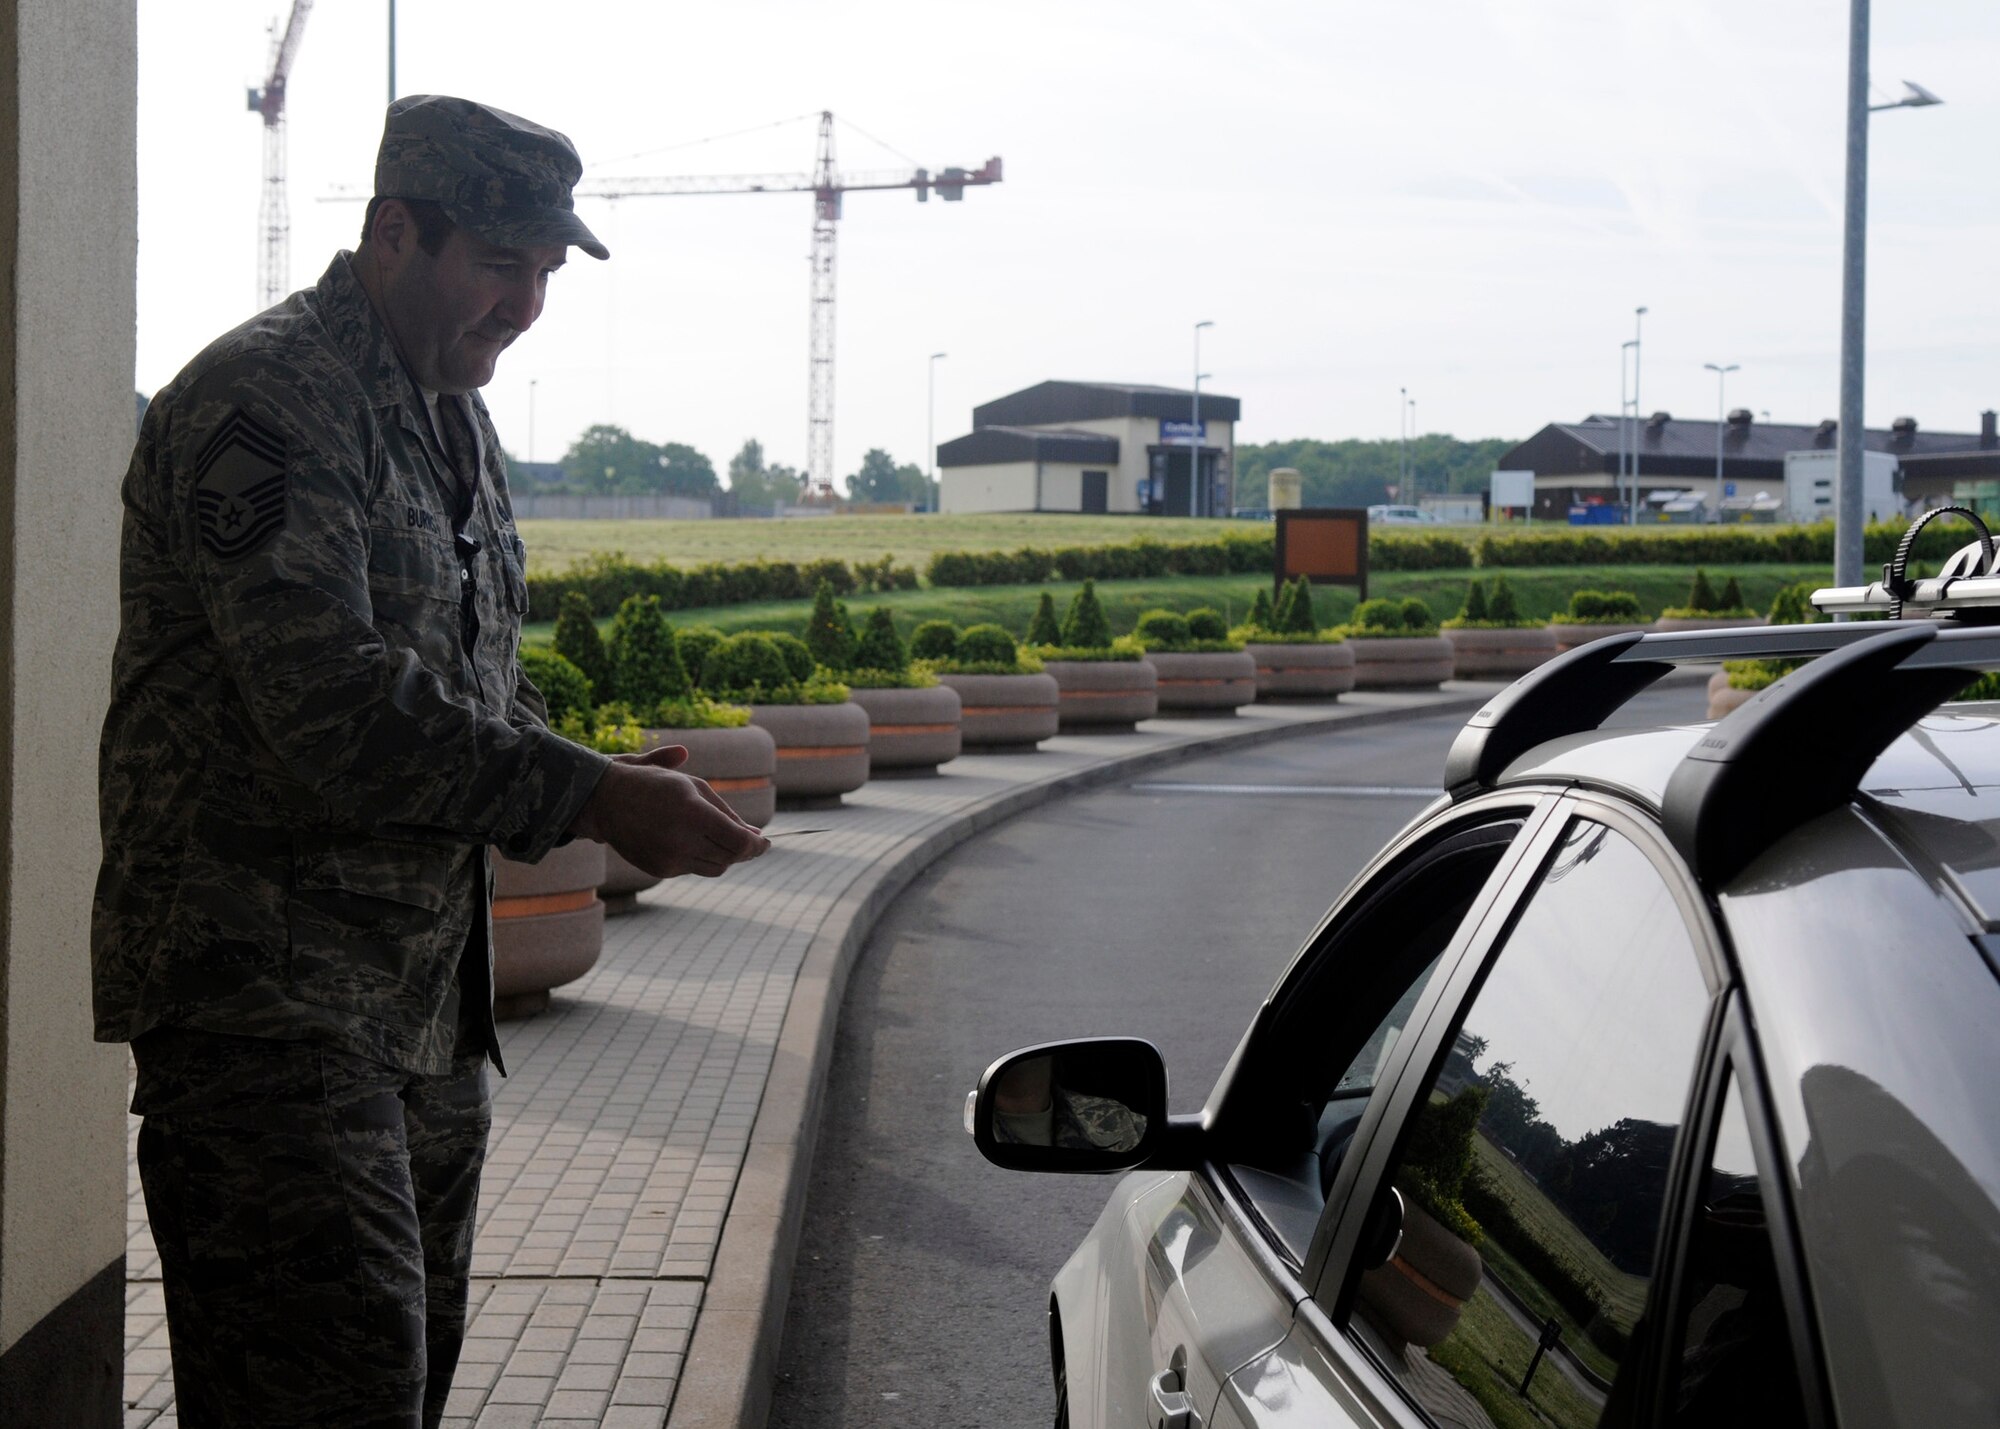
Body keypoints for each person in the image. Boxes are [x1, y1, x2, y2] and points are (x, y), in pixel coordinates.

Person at [92, 95, 768, 1428]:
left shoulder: (453, 416)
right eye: (501, 262)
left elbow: (465, 678)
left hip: (420, 1014)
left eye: (546, 272)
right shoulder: (270, 397)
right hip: (264, 1007)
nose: (525, 304)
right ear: (395, 234)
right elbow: (326, 699)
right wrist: (581, 791)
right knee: (332, 1392)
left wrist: (596, 763)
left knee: (397, 1384)